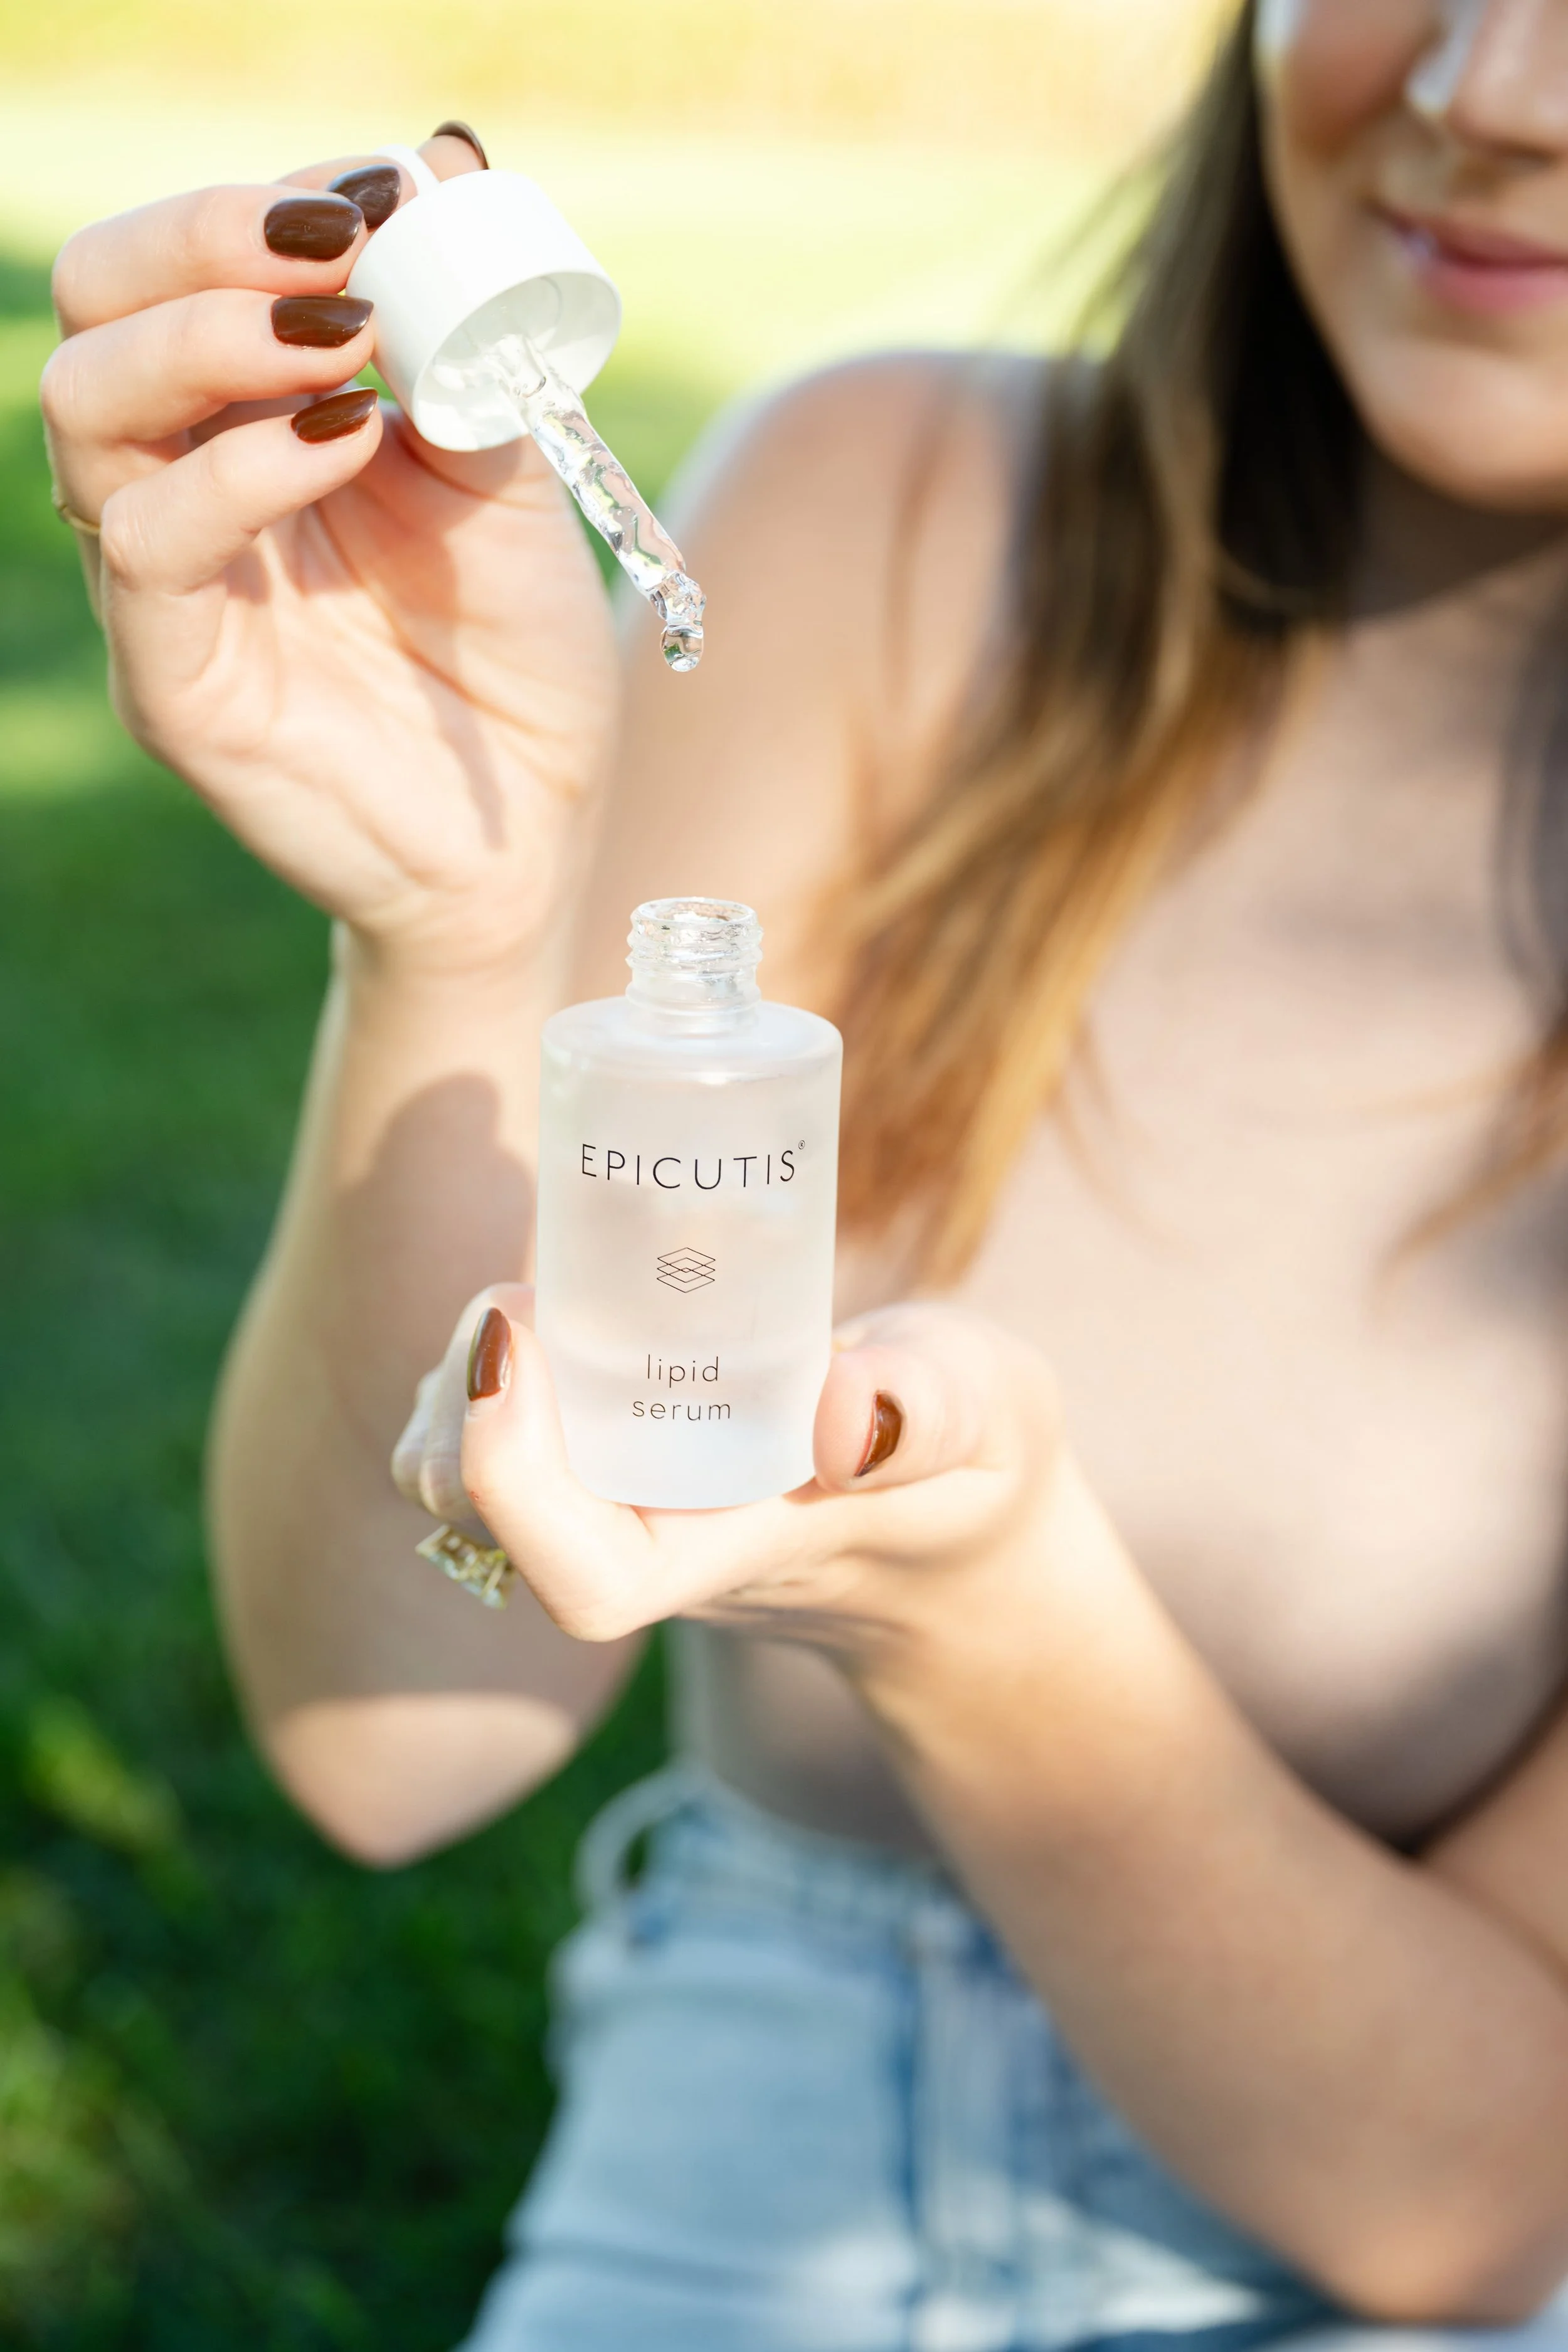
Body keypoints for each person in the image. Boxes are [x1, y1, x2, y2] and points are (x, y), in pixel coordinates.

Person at [41, 3, 1568, 2342]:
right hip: (755, 2083)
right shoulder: (894, 516)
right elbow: (393, 1741)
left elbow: (1473, 2201)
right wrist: (452, 944)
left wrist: (990, 1616)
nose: (1488, 93)